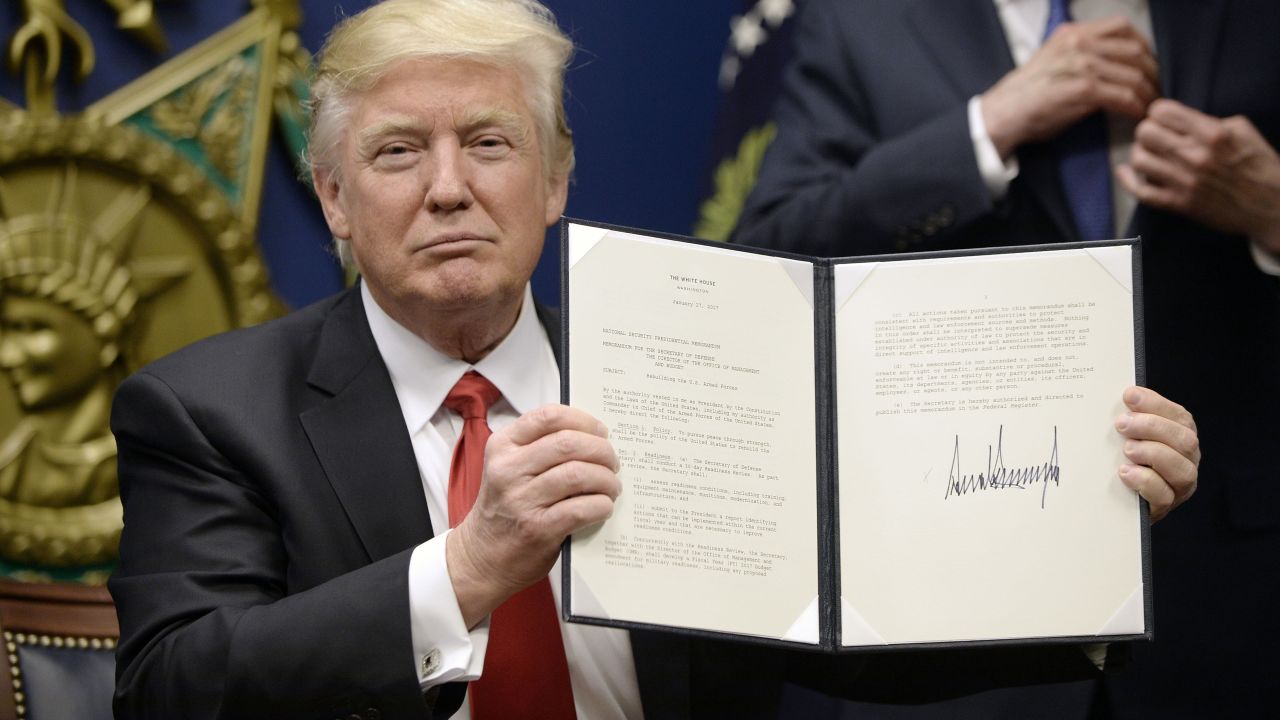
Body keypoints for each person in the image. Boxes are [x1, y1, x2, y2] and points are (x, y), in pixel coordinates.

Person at [108, 1, 1201, 718]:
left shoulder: (691, 363)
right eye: (397, 153)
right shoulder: (208, 410)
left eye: (489, 143)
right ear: (336, 200)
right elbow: (171, 688)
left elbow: (843, 630)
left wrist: (1078, 543)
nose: (448, 188)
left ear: (556, 182)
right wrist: (470, 569)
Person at [732, 0, 1278, 716]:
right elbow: (770, 267)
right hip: (953, 627)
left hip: (1232, 601)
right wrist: (983, 131)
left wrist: (1273, 207)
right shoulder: (863, 20)